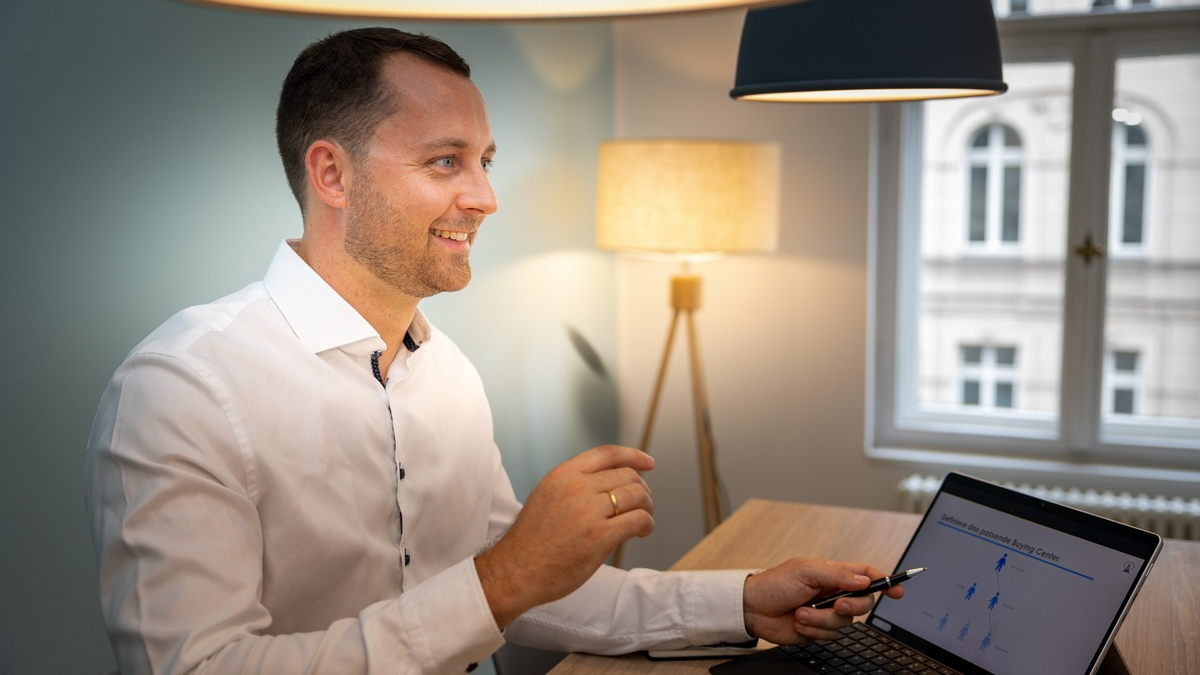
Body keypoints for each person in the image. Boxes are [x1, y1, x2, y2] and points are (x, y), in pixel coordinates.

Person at [84, 27, 901, 675]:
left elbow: (527, 593)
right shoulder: (183, 389)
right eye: (446, 162)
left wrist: (747, 600)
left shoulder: (447, 373)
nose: (485, 197)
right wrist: (504, 576)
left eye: (484, 161)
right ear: (331, 174)